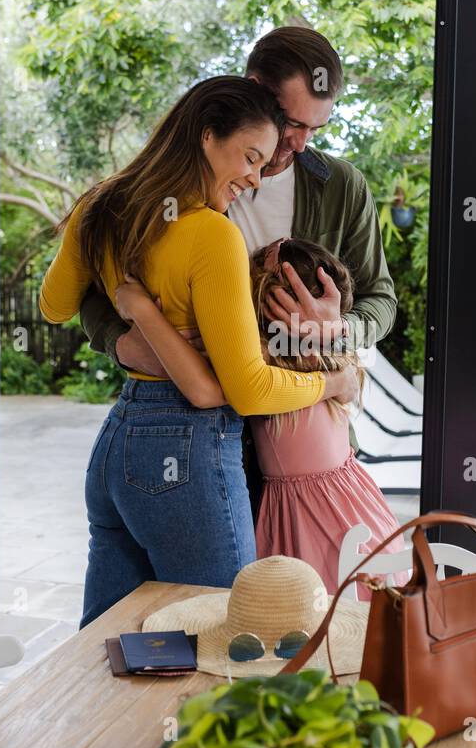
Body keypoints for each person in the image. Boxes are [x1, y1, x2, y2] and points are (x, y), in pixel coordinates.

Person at [38, 76, 360, 629]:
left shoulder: (100, 207)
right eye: (250, 158)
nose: (254, 178)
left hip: (120, 439)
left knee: (108, 641)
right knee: (227, 633)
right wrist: (332, 383)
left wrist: (134, 311)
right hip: (187, 448)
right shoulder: (212, 234)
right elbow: (247, 391)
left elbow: (54, 305)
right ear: (207, 135)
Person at [78, 27, 398, 518]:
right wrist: (119, 342)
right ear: (255, 89)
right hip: (200, 434)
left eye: (315, 129)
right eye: (292, 123)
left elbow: (382, 299)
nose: (300, 143)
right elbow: (94, 286)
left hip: (305, 445)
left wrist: (337, 328)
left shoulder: (342, 187)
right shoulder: (173, 187)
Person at [114, 238, 407, 598]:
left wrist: (143, 309)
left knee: (317, 606)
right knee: (328, 608)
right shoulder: (307, 358)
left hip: (322, 513)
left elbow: (200, 378)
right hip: (334, 502)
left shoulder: (278, 360)